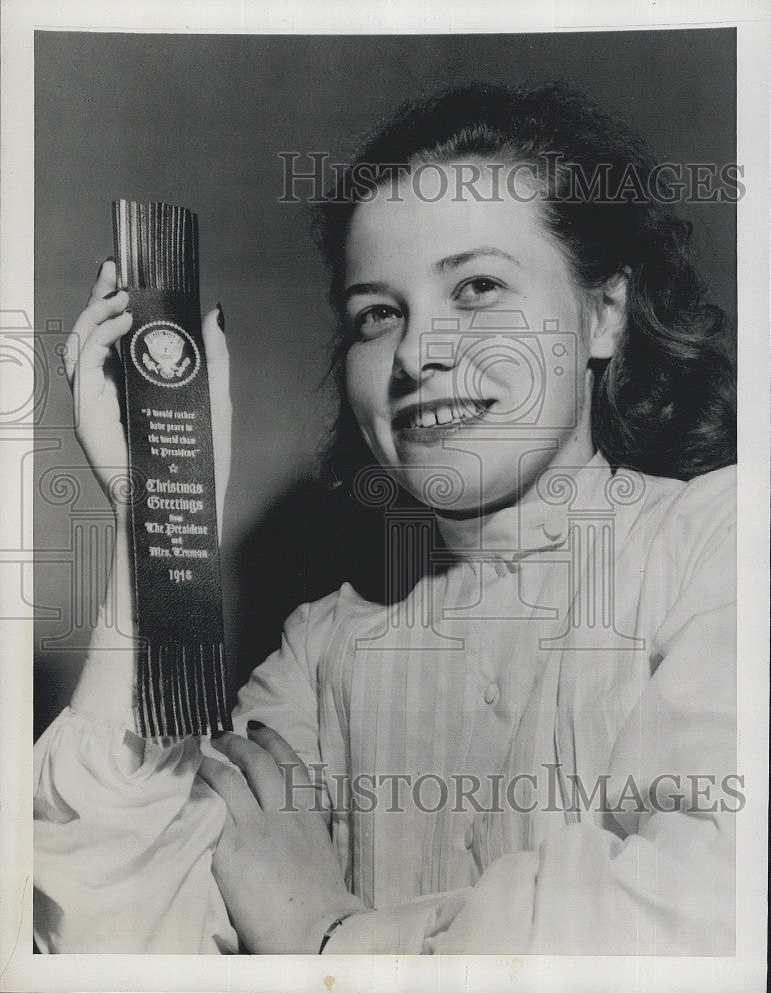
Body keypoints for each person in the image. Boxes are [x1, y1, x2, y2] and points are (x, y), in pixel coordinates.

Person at [34, 83, 737, 955]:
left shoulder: (723, 541)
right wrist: (157, 514)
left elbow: (707, 918)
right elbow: (110, 941)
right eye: (376, 314)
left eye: (477, 286)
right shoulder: (320, 651)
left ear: (602, 313)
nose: (415, 353)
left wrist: (328, 936)